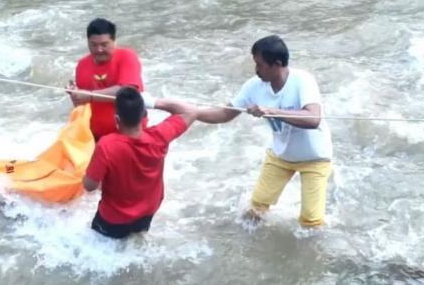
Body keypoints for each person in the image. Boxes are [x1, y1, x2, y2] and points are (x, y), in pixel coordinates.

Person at [198, 35, 333, 226]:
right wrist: (192, 114)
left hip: (314, 158)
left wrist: (271, 111)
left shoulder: (303, 80)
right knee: (254, 211)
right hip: (281, 156)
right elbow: (224, 113)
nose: (256, 70)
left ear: (276, 64)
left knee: (311, 222)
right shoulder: (254, 86)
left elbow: (313, 119)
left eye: (259, 65)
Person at [82, 87, 199, 239]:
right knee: (135, 242)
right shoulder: (159, 136)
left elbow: (89, 186)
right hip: (147, 212)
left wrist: (88, 172)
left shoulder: (106, 146)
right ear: (144, 114)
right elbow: (190, 111)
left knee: (100, 247)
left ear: (117, 120)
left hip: (113, 218)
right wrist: (154, 102)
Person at [68, 18, 144, 141]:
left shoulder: (127, 56)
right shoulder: (82, 65)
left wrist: (90, 95)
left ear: (114, 41)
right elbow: (81, 105)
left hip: (129, 137)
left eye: (104, 44)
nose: (99, 50)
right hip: (96, 138)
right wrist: (75, 95)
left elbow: (128, 92)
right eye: (93, 45)